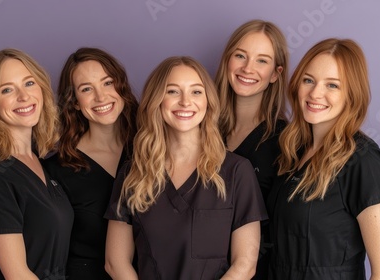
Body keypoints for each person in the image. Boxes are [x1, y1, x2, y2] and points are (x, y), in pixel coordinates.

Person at [104, 56, 266, 279]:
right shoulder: (133, 174)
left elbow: (245, 265)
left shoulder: (237, 171)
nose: (185, 102)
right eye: (172, 91)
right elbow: (116, 263)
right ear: (157, 100)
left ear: (208, 101)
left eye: (196, 92)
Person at [267, 38, 380, 279]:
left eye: (332, 85)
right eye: (309, 80)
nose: (316, 93)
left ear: (351, 94)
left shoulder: (362, 161)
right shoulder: (291, 153)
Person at [0, 48, 74, 280]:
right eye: (7, 90)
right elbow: (18, 275)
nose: (24, 96)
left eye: (29, 83)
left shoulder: (41, 164)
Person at [43, 47, 138, 280]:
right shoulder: (55, 171)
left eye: (107, 83)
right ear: (74, 102)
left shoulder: (152, 149)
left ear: (121, 86)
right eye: (86, 89)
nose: (101, 96)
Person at [215, 19, 289, 278]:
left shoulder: (287, 141)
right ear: (227, 61)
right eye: (240, 56)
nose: (248, 68)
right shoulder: (199, 126)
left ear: (276, 74)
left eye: (262, 60)